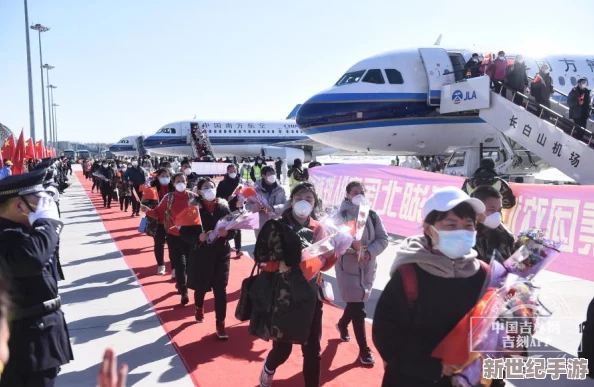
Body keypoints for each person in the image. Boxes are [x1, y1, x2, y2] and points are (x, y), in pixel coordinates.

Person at [372, 186, 487, 387]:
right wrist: (435, 365)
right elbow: (386, 335)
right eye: (451, 225)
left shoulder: (484, 274)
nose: (462, 232)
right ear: (428, 229)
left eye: (468, 225)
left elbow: (495, 332)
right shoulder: (409, 274)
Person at [253, 182, 351, 387]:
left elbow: (325, 264)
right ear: (291, 201)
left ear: (315, 203)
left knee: (313, 350)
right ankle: (269, 369)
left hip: (310, 295)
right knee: (283, 349)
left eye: (309, 199)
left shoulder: (320, 228)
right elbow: (260, 258)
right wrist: (276, 265)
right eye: (299, 198)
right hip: (283, 296)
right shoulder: (276, 226)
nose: (304, 203)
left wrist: (332, 253)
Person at [0, 169, 73, 386]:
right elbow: (31, 259)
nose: (45, 203)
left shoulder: (23, 232)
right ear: (19, 205)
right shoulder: (7, 236)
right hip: (25, 346)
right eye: (38, 198)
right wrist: (47, 224)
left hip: (40, 340)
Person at [334, 181, 388, 365]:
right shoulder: (341, 215)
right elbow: (334, 239)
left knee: (356, 303)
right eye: (355, 192)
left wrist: (369, 251)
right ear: (347, 194)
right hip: (347, 267)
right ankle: (364, 350)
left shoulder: (372, 215)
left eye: (362, 192)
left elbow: (383, 238)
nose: (359, 194)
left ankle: (342, 324)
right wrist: (353, 248)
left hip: (367, 266)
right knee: (359, 309)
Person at [181, 178, 235, 339]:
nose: (210, 190)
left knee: (221, 289)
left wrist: (228, 234)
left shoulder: (224, 207)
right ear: (199, 191)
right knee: (201, 287)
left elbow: (234, 228)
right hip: (202, 254)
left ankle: (221, 323)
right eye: (206, 187)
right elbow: (185, 234)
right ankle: (198, 307)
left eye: (212, 187)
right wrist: (198, 237)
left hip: (221, 253)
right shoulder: (193, 208)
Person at [141, 173, 194, 304]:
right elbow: (157, 212)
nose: (180, 183)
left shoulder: (193, 197)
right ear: (174, 183)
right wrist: (147, 210)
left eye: (183, 181)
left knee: (188, 265)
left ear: (187, 182)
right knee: (180, 265)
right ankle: (184, 291)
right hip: (173, 236)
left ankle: (181, 284)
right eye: (178, 181)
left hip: (190, 237)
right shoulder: (168, 198)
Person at [245, 165, 287, 237]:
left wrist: (274, 208)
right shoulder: (255, 189)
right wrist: (256, 206)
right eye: (269, 174)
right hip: (261, 224)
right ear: (263, 176)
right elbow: (247, 206)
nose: (272, 176)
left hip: (276, 221)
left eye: (273, 173)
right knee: (262, 245)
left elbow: (285, 205)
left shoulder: (280, 189)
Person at [149, 168, 174, 276]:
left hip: (172, 222)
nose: (165, 178)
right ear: (158, 177)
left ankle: (174, 267)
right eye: (162, 176)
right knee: (159, 244)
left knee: (173, 245)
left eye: (167, 176)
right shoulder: (152, 189)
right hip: (158, 221)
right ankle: (161, 265)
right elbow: (148, 204)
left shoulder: (174, 188)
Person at [216, 164, 243, 256]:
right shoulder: (222, 183)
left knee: (238, 229)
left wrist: (243, 200)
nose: (233, 173)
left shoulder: (240, 182)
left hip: (238, 208)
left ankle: (238, 248)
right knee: (226, 228)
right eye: (231, 171)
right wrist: (227, 198)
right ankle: (224, 246)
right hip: (226, 208)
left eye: (234, 171)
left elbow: (245, 194)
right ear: (227, 172)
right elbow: (218, 197)